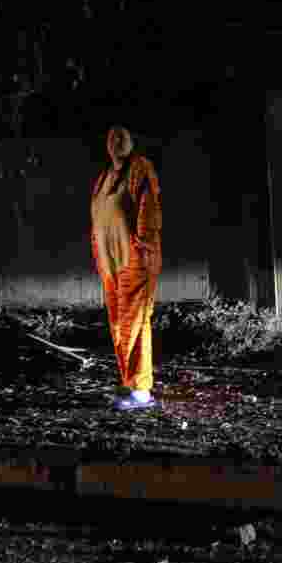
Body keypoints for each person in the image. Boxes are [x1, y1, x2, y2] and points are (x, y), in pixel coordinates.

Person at [90, 125, 162, 410]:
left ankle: (142, 390)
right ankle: (130, 382)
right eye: (111, 137)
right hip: (110, 262)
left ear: (132, 143)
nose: (116, 141)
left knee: (136, 322)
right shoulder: (105, 177)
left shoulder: (140, 169)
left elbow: (149, 209)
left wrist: (142, 245)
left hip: (134, 259)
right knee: (119, 325)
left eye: (122, 136)